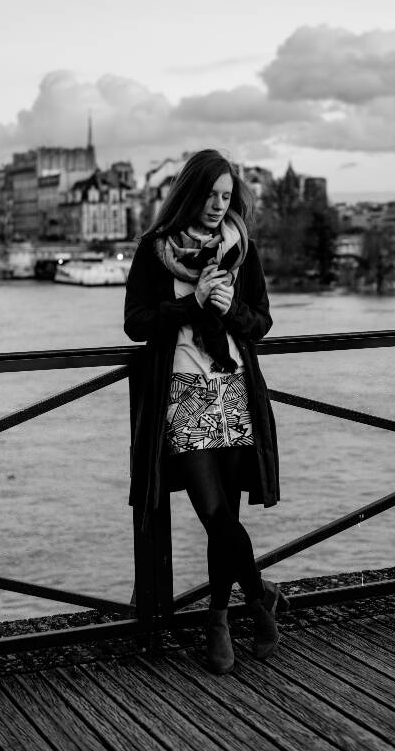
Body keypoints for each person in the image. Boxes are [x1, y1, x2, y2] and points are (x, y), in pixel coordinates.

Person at [124, 148, 287, 674]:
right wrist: (191, 304)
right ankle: (261, 599)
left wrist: (229, 309)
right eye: (211, 195)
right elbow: (136, 322)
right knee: (214, 514)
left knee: (229, 518)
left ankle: (218, 618)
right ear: (190, 193)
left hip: (234, 390)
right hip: (185, 395)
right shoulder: (154, 250)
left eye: (226, 195)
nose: (219, 205)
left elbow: (260, 321)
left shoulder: (242, 249)